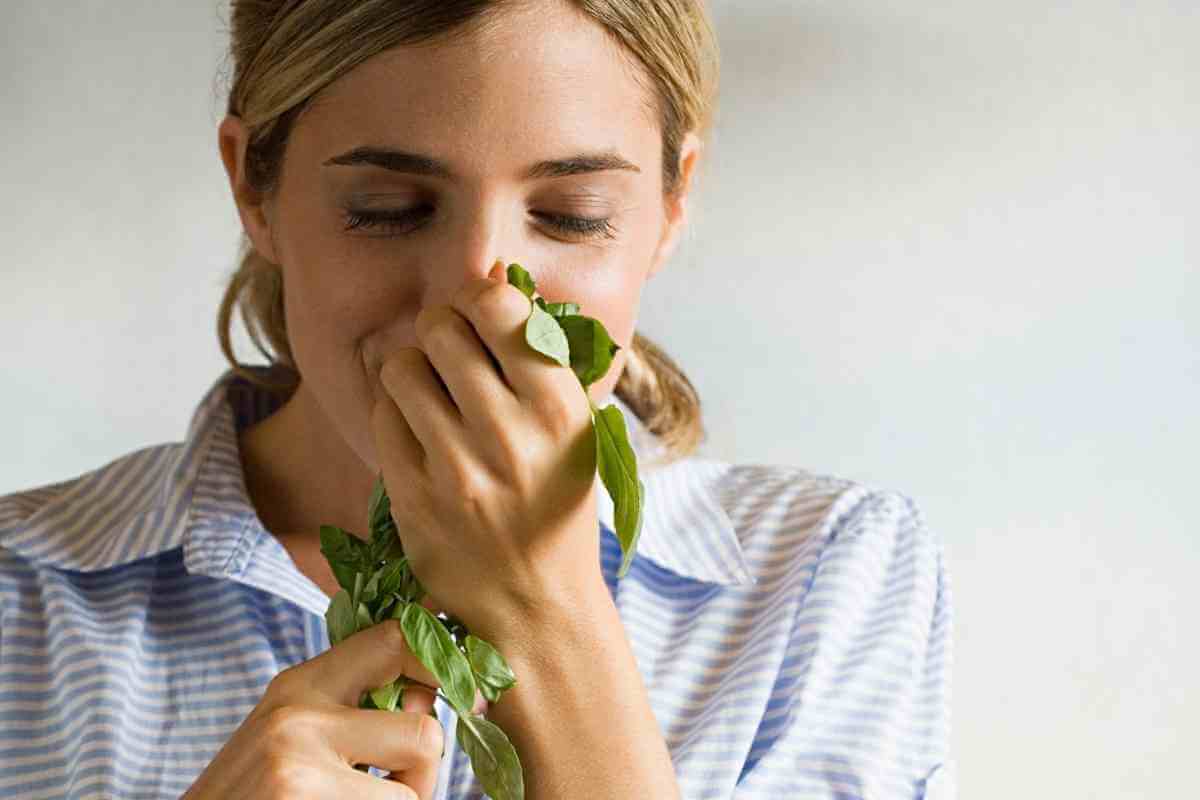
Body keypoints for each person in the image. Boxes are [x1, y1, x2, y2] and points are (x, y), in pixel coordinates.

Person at [0, 1, 956, 798]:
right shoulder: (23, 599)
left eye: (571, 216)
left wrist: (548, 612)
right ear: (255, 190)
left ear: (671, 206)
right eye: (388, 209)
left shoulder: (827, 581)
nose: (478, 294)